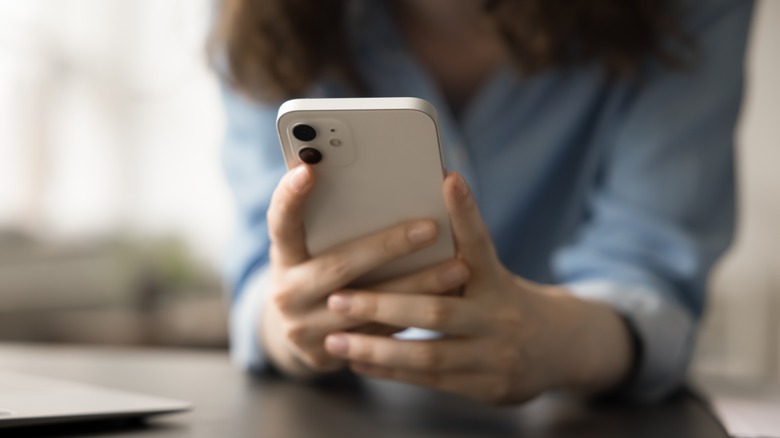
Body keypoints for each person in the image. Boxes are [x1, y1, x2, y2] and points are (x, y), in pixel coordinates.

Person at [210, 0, 754, 403]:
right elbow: (263, 270)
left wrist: (561, 339)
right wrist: (288, 324)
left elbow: (652, 270)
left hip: (578, 410)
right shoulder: (260, 15)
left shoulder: (690, 12)